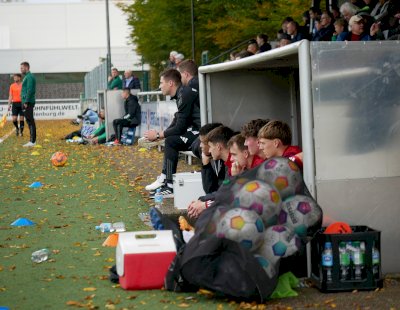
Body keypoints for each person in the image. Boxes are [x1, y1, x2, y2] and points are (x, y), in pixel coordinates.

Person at [144, 69, 201, 198]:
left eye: (161, 82)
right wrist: (160, 134)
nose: (159, 86)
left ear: (170, 83)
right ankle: (165, 179)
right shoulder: (181, 93)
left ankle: (169, 185)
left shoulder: (185, 94)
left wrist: (159, 135)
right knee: (170, 139)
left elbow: (180, 127)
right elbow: (177, 119)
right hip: (195, 131)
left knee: (171, 141)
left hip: (201, 133)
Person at [187, 125, 235, 219]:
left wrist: (204, 203)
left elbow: (228, 195)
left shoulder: (234, 164)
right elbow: (217, 191)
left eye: (209, 145)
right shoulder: (224, 161)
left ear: (218, 146)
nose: (201, 146)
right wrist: (205, 165)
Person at [20, 61, 36, 147]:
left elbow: (29, 90)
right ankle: (32, 141)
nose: (20, 70)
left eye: (22, 68)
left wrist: (26, 101)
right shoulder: (27, 76)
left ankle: (32, 141)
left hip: (28, 102)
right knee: (29, 121)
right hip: (26, 101)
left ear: (26, 68)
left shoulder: (29, 77)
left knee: (30, 120)